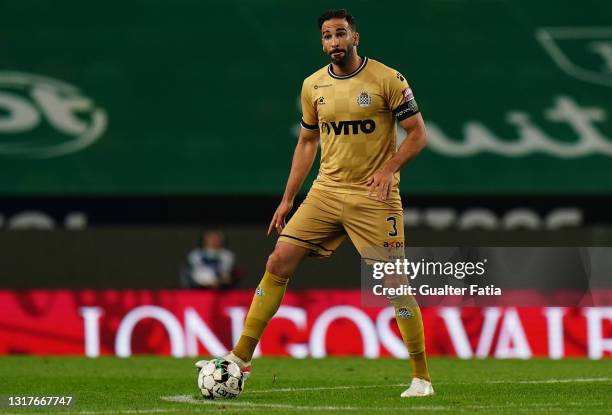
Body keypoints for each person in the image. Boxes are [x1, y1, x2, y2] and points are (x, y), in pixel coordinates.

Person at [197, 9, 432, 397]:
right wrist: (288, 198)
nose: (334, 42)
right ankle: (239, 358)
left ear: (355, 38)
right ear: (321, 42)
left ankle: (421, 378)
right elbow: (307, 142)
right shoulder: (313, 86)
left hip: (373, 198)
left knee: (394, 284)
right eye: (326, 36)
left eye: (340, 34)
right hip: (325, 193)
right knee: (277, 261)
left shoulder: (389, 80)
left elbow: (418, 135)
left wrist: (389, 168)